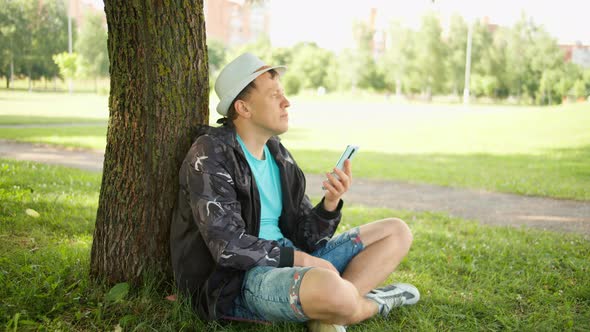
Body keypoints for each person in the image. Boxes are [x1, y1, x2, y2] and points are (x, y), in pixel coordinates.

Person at [170, 52, 419, 331]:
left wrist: (329, 204)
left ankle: (329, 311)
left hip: (296, 263)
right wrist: (301, 260)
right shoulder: (210, 153)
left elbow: (306, 237)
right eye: (274, 94)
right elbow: (228, 247)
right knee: (332, 288)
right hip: (244, 281)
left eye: (283, 93)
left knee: (396, 231)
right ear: (244, 108)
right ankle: (369, 303)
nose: (286, 102)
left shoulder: (278, 154)